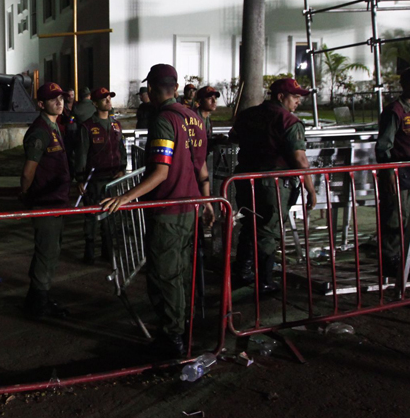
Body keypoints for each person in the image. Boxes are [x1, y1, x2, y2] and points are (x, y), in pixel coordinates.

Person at [102, 64, 211, 357]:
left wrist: (125, 197)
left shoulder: (164, 120)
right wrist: (207, 200)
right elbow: (201, 166)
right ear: (176, 87)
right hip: (190, 207)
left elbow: (160, 172)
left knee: (164, 276)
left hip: (168, 210)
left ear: (150, 89)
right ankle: (182, 328)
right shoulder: (195, 118)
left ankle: (172, 337)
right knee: (181, 271)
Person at [229, 78, 317, 293]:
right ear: (280, 96)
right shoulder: (288, 121)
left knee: (249, 223)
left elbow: (233, 137)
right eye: (295, 97)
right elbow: (300, 159)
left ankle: (242, 271)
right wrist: (311, 190)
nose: (298, 102)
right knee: (268, 230)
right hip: (272, 183)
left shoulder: (247, 115)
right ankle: (265, 280)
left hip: (244, 180)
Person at [20, 82, 72, 319]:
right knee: (46, 253)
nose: (59, 102)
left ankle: (37, 297)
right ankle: (38, 303)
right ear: (41, 104)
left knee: (50, 251)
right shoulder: (40, 130)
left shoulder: (54, 126)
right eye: (53, 99)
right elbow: (28, 172)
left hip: (56, 200)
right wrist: (27, 195)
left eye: (60, 97)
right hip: (45, 202)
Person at [73, 87, 126, 264]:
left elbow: (121, 149)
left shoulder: (116, 125)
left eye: (109, 97)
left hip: (112, 179)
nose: (108, 101)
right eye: (104, 99)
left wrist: (122, 168)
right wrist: (80, 178)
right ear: (95, 104)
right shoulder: (87, 127)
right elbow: (81, 154)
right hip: (93, 180)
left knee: (110, 216)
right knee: (91, 217)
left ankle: (107, 251)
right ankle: (89, 253)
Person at [375, 66, 410, 275]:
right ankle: (391, 260)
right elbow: (384, 146)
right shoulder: (395, 111)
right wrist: (389, 172)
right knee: (396, 217)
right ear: (405, 85)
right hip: (400, 171)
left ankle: (407, 256)